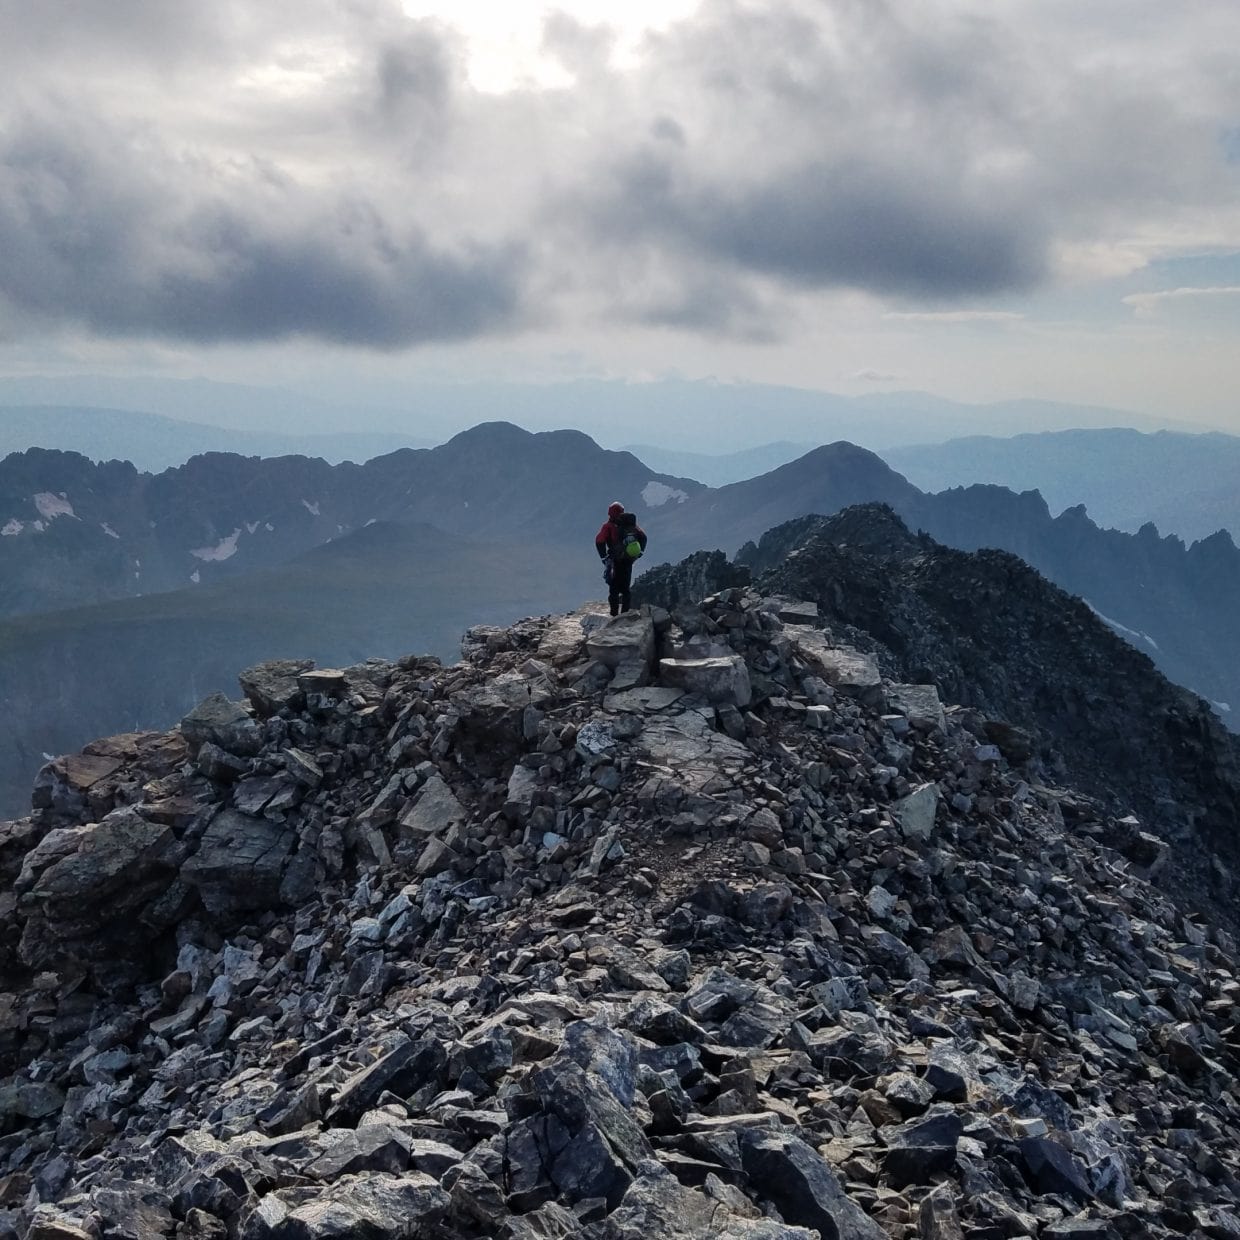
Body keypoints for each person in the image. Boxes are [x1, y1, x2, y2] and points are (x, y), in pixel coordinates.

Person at [595, 501, 647, 616]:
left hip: (615, 561)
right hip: (628, 560)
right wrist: (640, 553)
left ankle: (614, 615)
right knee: (626, 588)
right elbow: (643, 537)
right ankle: (625, 614)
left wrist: (604, 557)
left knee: (613, 589)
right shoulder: (630, 526)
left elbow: (599, 541)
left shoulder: (608, 526)